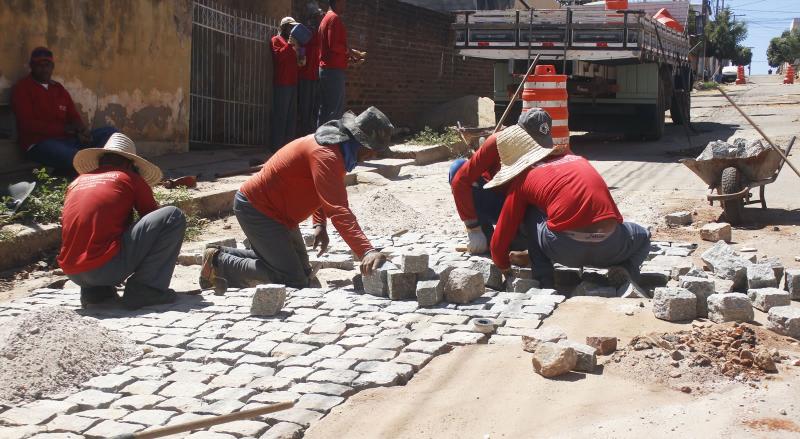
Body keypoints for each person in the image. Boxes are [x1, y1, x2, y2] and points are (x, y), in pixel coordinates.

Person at [201, 106, 394, 292]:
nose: (373, 155)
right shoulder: (327, 155)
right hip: (258, 209)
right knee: (293, 279)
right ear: (360, 142)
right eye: (372, 149)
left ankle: (218, 253)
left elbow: (318, 188)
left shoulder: (340, 150)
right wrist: (366, 251)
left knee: (303, 272)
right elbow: (338, 209)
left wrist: (320, 224)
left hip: (280, 213)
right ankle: (219, 263)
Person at [487, 109, 651, 290]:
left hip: (564, 250)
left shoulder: (525, 177)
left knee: (531, 212)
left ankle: (544, 280)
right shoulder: (579, 160)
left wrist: (503, 267)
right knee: (644, 236)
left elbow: (501, 235)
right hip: (610, 246)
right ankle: (625, 272)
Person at [57, 133, 186, 309]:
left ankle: (96, 293)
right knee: (173, 216)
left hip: (73, 272)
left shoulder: (77, 182)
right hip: (104, 268)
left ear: (101, 161)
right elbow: (152, 218)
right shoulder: (128, 177)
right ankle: (145, 289)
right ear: (128, 164)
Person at [449, 110, 563, 255]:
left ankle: (515, 237)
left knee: (523, 242)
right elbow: (461, 180)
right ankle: (486, 236)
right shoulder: (496, 143)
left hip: (522, 208)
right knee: (457, 167)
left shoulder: (546, 154)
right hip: (494, 201)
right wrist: (473, 228)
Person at [11, 47, 116, 176]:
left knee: (111, 134)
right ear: (31, 66)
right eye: (39, 65)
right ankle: (81, 173)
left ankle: (69, 170)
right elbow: (27, 125)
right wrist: (64, 129)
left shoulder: (58, 89)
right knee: (78, 157)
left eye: (47, 65)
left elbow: (73, 116)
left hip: (68, 141)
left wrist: (82, 131)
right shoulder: (22, 89)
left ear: (52, 66)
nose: (44, 69)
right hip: (40, 143)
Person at [317, 0, 366, 126]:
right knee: (335, 111)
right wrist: (349, 51)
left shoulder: (325, 18)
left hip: (327, 69)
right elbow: (334, 45)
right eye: (344, 2)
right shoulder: (334, 18)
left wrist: (349, 56)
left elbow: (331, 49)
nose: (345, 5)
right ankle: (331, 143)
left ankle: (319, 141)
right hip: (333, 71)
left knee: (326, 109)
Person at [270, 17, 303, 150]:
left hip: (293, 82)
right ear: (283, 27)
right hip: (282, 83)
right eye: (290, 27)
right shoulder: (276, 40)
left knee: (291, 118)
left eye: (293, 27)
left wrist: (301, 54)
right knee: (281, 116)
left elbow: (299, 62)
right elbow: (279, 58)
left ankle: (288, 148)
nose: (292, 30)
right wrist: (289, 45)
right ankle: (276, 147)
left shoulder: (294, 42)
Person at [297, 7, 325, 136]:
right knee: (305, 108)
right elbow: (301, 50)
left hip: (316, 75)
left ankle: (311, 133)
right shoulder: (307, 32)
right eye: (320, 17)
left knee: (315, 107)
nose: (322, 19)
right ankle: (303, 134)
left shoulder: (320, 33)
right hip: (306, 75)